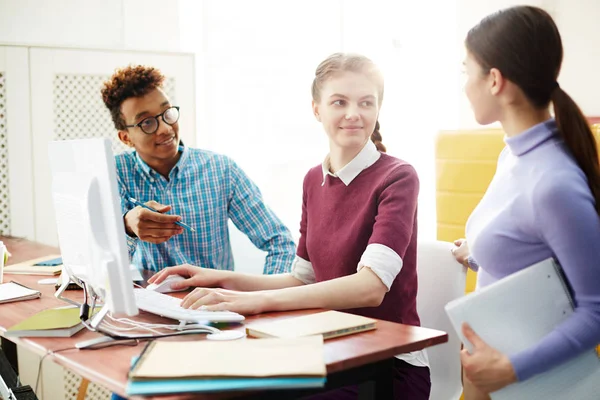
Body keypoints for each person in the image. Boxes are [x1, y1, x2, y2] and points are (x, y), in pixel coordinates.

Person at [150, 53, 431, 399]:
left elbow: (370, 288)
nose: (353, 113)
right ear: (317, 109)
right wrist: (220, 279)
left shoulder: (398, 177)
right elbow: (303, 277)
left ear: (378, 109)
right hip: (327, 351)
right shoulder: (314, 179)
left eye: (366, 102)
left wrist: (258, 301)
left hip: (387, 365)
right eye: (339, 102)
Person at [451, 5, 600, 399]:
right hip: (491, 378)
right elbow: (532, 249)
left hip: (531, 384)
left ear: (495, 80)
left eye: (466, 72)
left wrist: (511, 369)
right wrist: (480, 252)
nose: (464, 85)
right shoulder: (513, 155)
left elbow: (596, 312)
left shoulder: (553, 182)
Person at [100, 65, 296, 274]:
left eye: (167, 113)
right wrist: (126, 227)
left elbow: (280, 243)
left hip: (214, 301)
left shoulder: (221, 170)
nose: (166, 128)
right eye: (147, 123)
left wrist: (266, 299)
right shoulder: (114, 173)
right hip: (148, 302)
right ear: (126, 138)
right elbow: (101, 260)